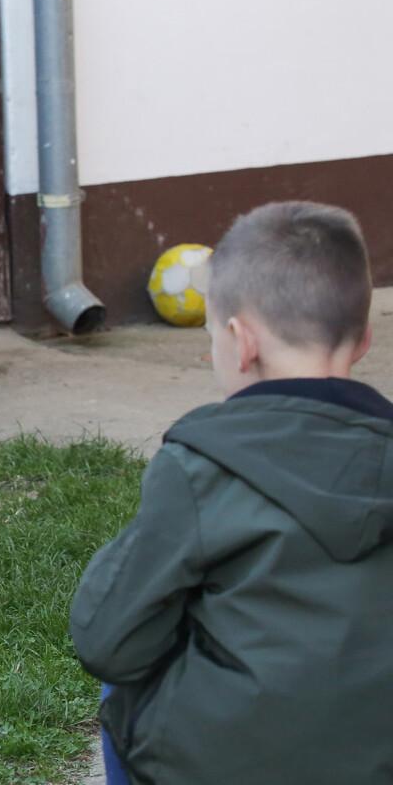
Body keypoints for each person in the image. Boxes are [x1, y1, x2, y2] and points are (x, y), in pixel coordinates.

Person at [70, 201, 393, 784]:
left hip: (223, 761)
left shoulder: (201, 465)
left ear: (241, 342)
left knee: (126, 665)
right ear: (364, 338)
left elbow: (105, 640)